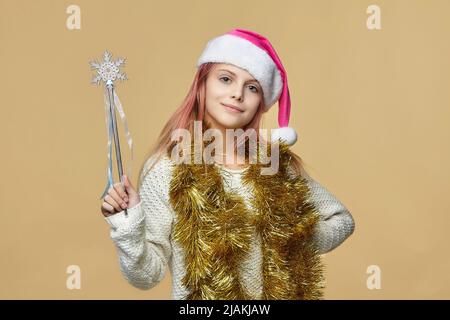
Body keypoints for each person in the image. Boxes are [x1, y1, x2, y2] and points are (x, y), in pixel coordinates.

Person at [100, 28, 355, 300]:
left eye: (252, 87)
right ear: (203, 84)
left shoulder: (274, 164)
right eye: (225, 79)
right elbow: (146, 277)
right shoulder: (167, 168)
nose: (237, 94)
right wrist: (128, 225)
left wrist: (291, 237)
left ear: (261, 102)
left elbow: (342, 220)